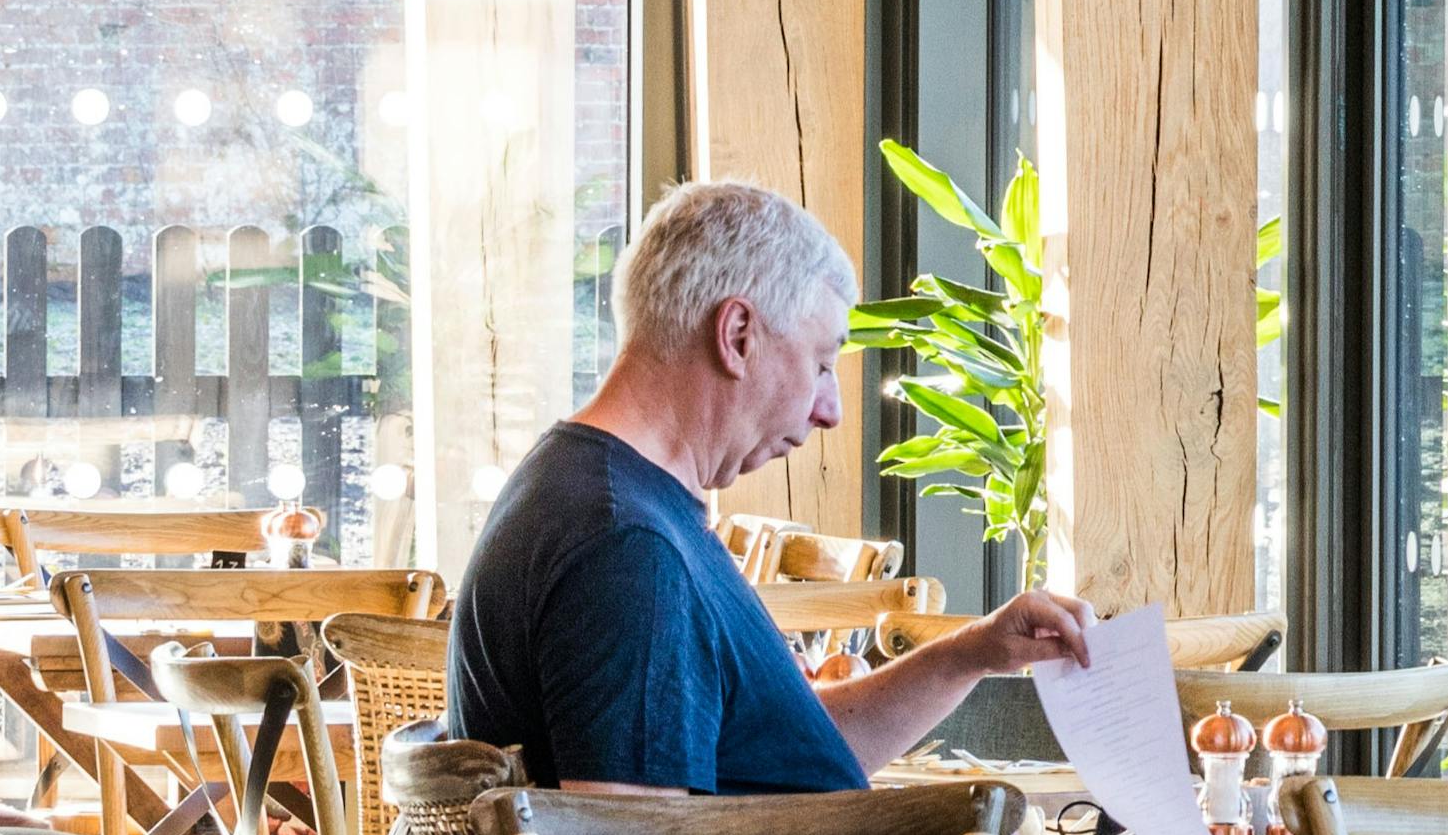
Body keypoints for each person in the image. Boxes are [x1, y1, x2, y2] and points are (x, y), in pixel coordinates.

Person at [449, 176, 1093, 790]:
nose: (830, 410)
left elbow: (786, 754)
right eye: (820, 363)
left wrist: (972, 653)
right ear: (736, 336)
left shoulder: (598, 495)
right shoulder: (626, 548)